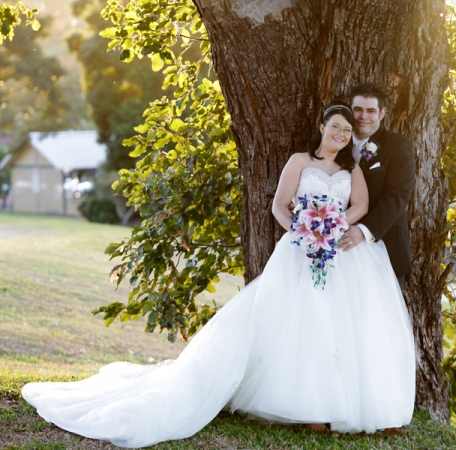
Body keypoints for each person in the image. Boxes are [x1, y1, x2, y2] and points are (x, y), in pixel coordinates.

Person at [22, 101, 415, 448]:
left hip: (338, 253)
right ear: (322, 128)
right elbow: (279, 205)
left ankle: (338, 404)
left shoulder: (352, 168)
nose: (342, 134)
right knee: (298, 324)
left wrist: (332, 225)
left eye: (347, 130)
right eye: (336, 128)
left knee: (339, 326)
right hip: (298, 251)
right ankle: (307, 408)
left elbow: (361, 205)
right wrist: (302, 229)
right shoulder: (299, 161)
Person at [339, 83, 416, 291]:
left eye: (371, 111)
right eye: (358, 109)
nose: (364, 116)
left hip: (384, 249)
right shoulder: (335, 143)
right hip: (338, 250)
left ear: (382, 113)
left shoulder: (398, 146)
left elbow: (397, 197)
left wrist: (363, 231)